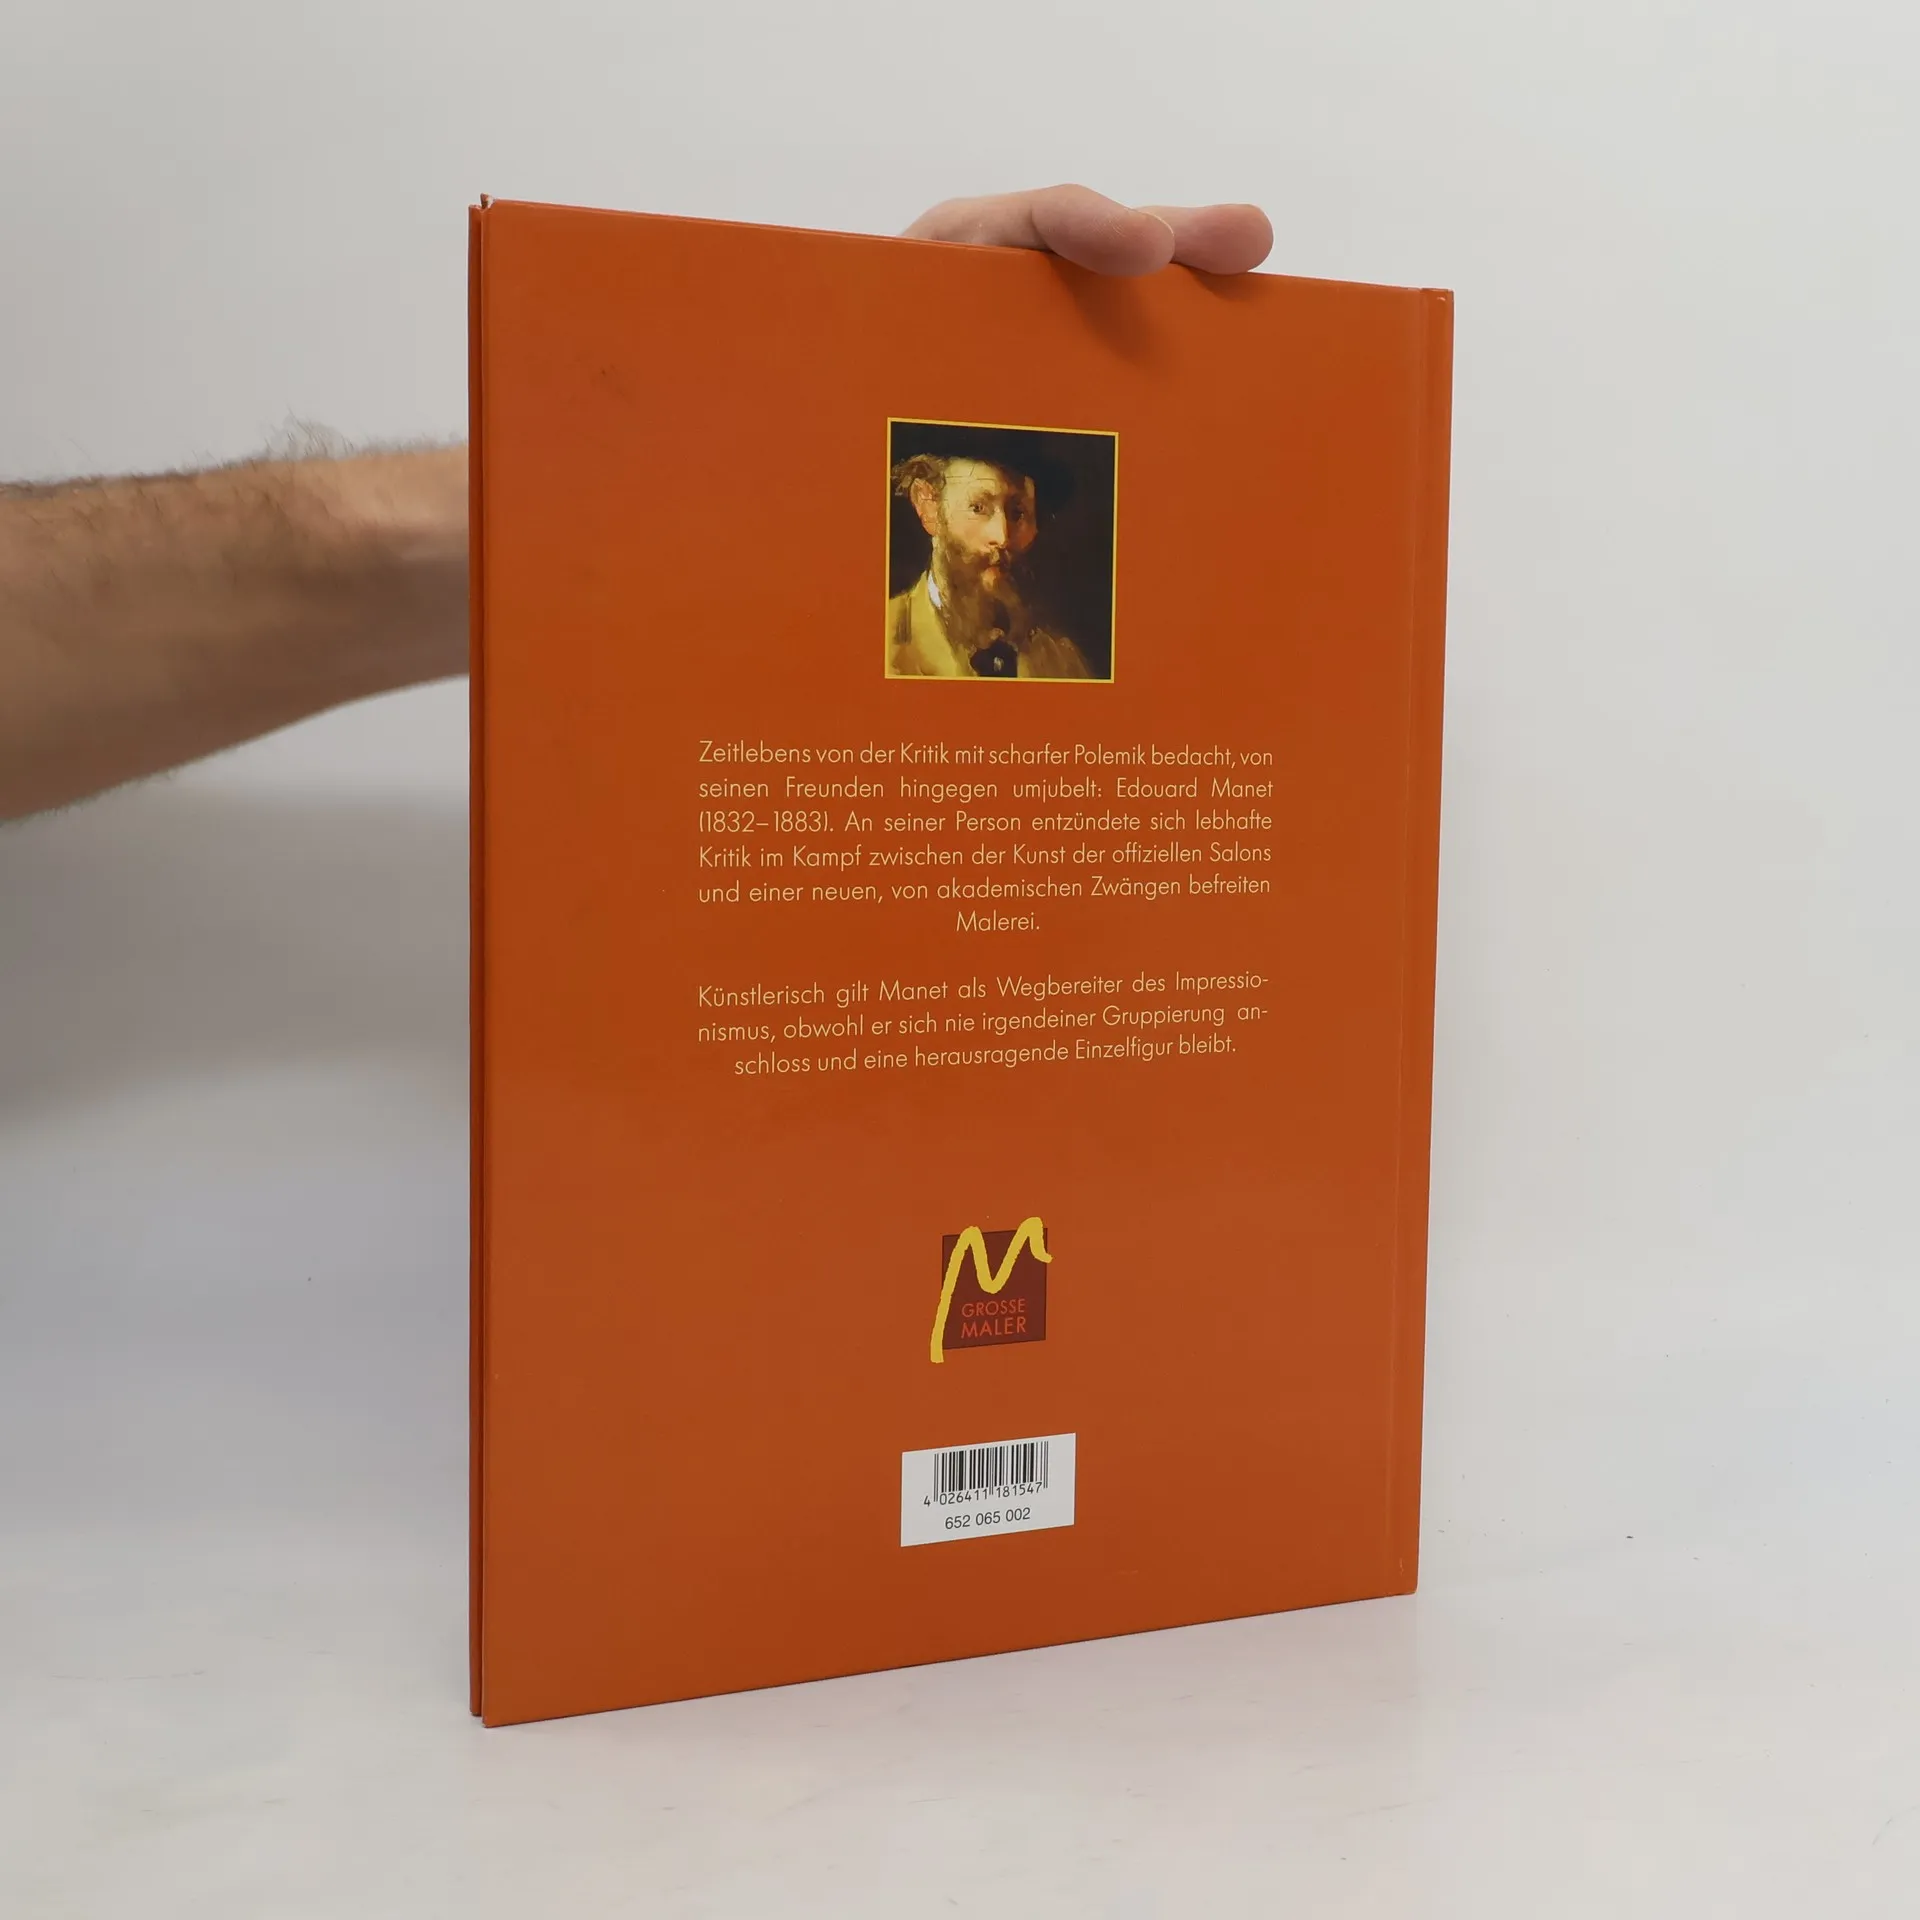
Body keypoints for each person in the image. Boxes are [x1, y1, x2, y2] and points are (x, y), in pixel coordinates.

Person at [0, 187, 1270, 820]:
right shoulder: (873, 644)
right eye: (988, 505)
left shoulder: (1057, 656)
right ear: (925, 504)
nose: (1011, 536)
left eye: (1026, 513)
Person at [887, 434, 1094, 681]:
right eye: (978, 508)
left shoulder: (1061, 661)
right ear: (929, 506)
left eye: (1017, 513)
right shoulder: (885, 642)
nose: (1003, 537)